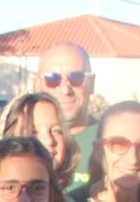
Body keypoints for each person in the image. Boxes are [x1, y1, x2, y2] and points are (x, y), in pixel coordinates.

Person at [37, 43, 99, 187]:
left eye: (76, 78)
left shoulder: (113, 145)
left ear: (92, 83)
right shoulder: (21, 138)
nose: (65, 89)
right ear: (37, 84)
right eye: (52, 79)